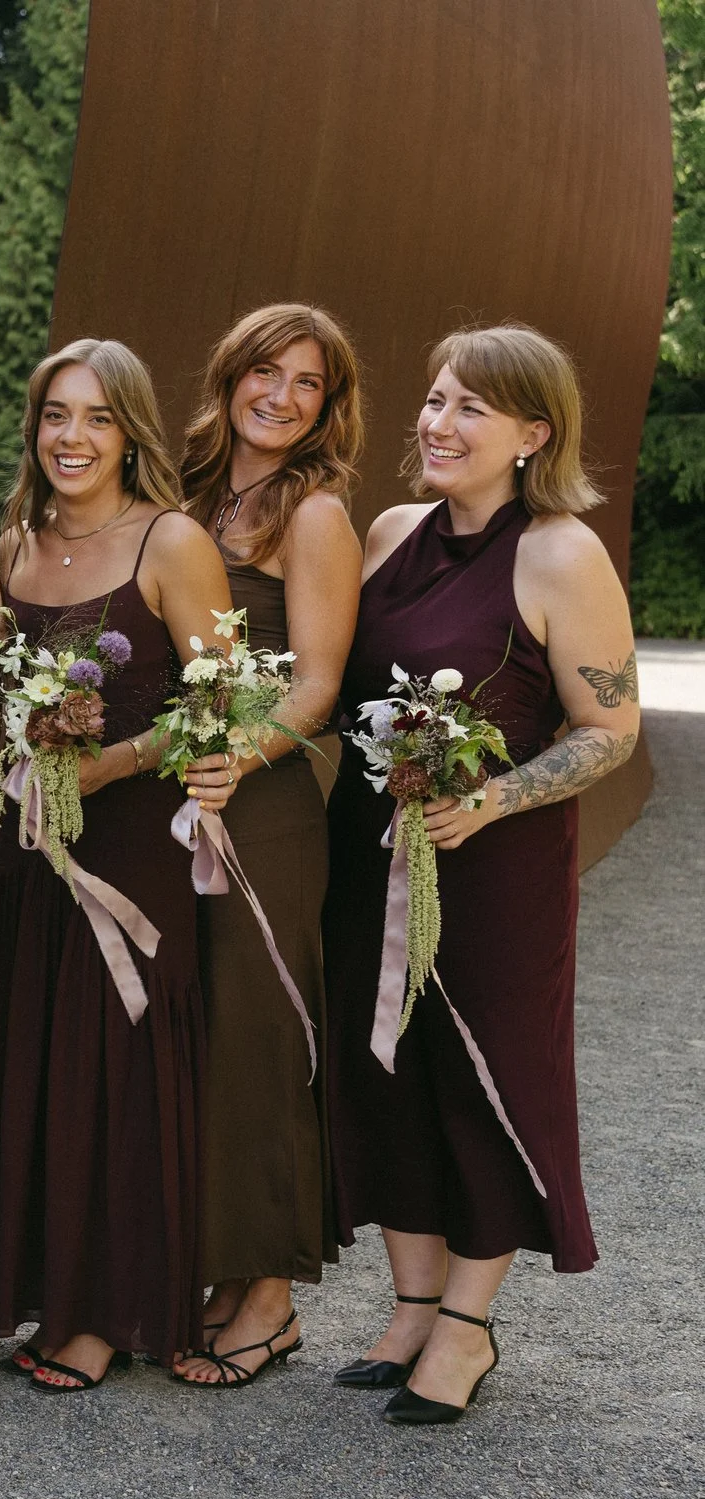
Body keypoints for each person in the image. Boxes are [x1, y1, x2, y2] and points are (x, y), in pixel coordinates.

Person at [321, 325, 637, 1424]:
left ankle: (465, 1326)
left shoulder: (557, 551)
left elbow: (612, 725)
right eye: (435, 398)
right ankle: (408, 1304)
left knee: (481, 1078)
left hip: (492, 869)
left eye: (471, 408)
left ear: (530, 434)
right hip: (367, 851)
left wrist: (494, 796)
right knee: (382, 1068)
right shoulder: (388, 531)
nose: (438, 423)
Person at [0, 338, 240, 1393]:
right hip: (33, 840)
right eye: (55, 415)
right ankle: (40, 1282)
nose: (73, 437)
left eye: (98, 417)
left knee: (109, 1060)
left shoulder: (170, 540)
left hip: (129, 838)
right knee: (31, 1050)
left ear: (131, 433)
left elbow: (217, 698)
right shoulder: (12, 543)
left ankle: (106, 1310)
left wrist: (110, 764)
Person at [169, 304, 364, 1387]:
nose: (280, 395)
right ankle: (217, 1267)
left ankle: (273, 1293)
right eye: (263, 371)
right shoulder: (187, 486)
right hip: (181, 785)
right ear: (228, 373)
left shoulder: (315, 510)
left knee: (259, 1025)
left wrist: (237, 761)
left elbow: (317, 682)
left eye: (307, 383)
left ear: (328, 407)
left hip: (267, 797)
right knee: (196, 1027)